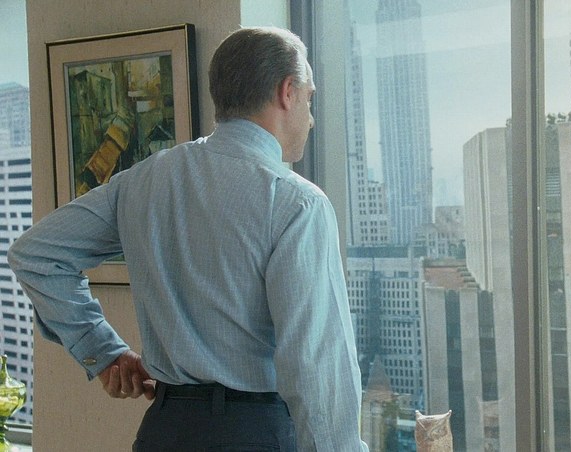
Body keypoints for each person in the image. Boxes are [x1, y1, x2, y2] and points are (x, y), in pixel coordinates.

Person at [9, 26, 368, 451]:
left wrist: (101, 351)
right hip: (256, 434)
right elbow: (316, 369)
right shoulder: (296, 203)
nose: (310, 118)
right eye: (310, 99)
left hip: (163, 431)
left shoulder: (143, 180)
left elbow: (36, 254)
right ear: (287, 92)